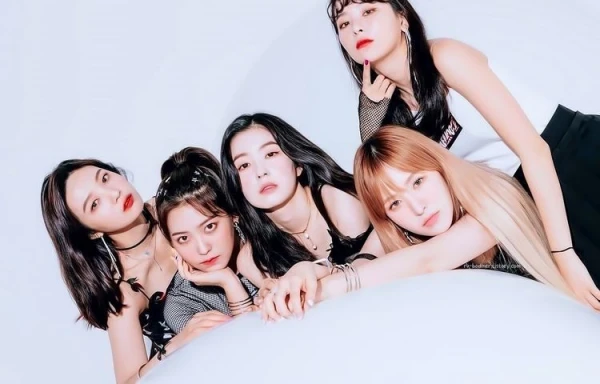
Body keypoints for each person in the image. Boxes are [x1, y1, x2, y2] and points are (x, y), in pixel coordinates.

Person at [326, 0, 600, 307]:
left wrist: (563, 253)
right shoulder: (390, 115)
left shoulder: (444, 58)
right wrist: (369, 119)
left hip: (574, 158)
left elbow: (534, 149)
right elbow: (384, 189)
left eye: (369, 11)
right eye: (344, 23)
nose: (356, 28)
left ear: (402, 18)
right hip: (526, 199)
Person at [259, 125, 578, 322]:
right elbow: (363, 263)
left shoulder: (491, 192)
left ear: (438, 165)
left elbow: (429, 260)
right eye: (394, 203)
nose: (417, 207)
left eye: (418, 181)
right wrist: (304, 271)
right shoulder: (405, 233)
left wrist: (322, 291)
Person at [41, 159, 228, 384]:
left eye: (105, 178)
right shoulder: (126, 291)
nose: (114, 194)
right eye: (95, 204)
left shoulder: (175, 204)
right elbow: (128, 381)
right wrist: (178, 343)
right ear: (91, 233)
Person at [220, 113, 382, 280]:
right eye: (244, 165)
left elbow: (372, 278)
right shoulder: (252, 260)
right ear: (236, 184)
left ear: (297, 164)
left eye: (271, 154)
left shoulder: (340, 202)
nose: (260, 172)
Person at [155, 147, 260, 334]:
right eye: (183, 238)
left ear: (233, 215)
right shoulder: (180, 304)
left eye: (210, 227)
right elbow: (249, 339)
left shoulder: (269, 243)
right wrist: (228, 281)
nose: (203, 249)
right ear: (172, 244)